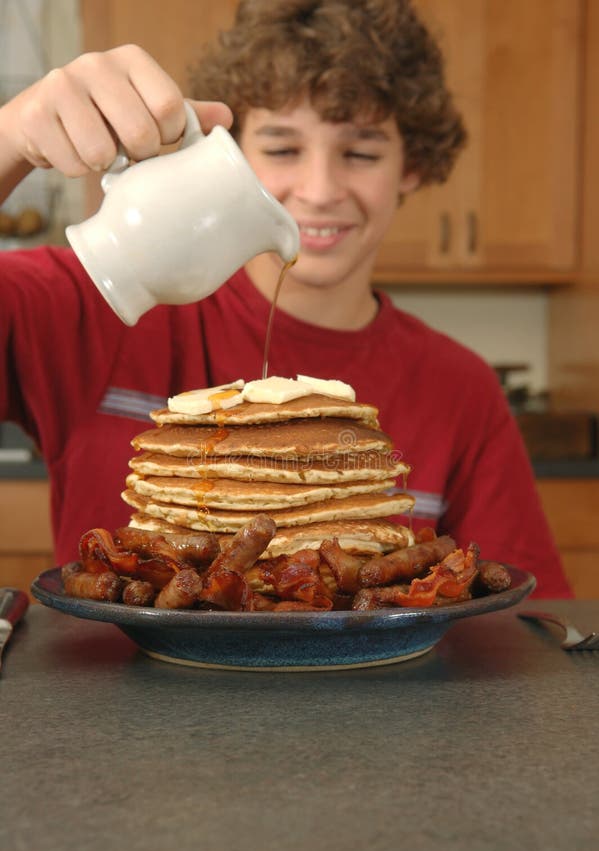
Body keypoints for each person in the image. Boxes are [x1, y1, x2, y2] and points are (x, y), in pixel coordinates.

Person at [0, 0, 572, 598]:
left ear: (413, 165)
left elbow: (525, 629)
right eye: (281, 147)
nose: (320, 190)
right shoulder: (97, 306)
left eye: (361, 152)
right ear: (231, 151)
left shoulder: (459, 389)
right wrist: (11, 139)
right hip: (109, 688)